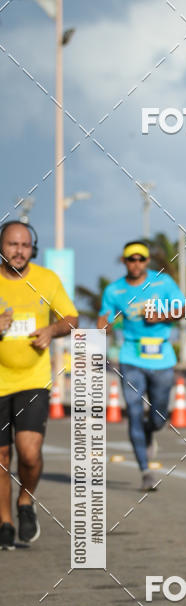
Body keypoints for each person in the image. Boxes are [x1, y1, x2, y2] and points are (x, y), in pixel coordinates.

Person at [0, 221, 78, 549]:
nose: (19, 251)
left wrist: (51, 330)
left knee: (29, 454)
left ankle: (25, 500)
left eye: (25, 245)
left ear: (33, 248)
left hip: (33, 380)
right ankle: (4, 521)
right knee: (2, 456)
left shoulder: (47, 279)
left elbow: (71, 318)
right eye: (12, 244)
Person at [97, 241, 185, 491]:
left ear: (147, 261)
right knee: (134, 412)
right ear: (124, 262)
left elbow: (182, 309)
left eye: (140, 259)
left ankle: (150, 430)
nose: (136, 263)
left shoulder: (163, 282)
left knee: (159, 418)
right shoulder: (114, 290)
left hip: (162, 356)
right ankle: (146, 471)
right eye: (131, 259)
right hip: (131, 357)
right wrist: (104, 325)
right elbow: (105, 318)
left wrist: (161, 315)